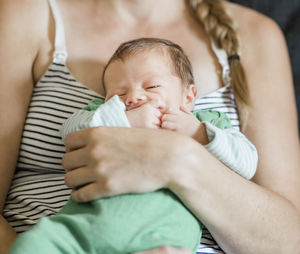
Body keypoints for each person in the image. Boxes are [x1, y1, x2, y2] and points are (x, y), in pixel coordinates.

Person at [1, 0, 299, 254]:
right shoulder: (28, 12)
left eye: (152, 86)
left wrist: (178, 158)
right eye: (119, 94)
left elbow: (288, 241)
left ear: (189, 95)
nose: (134, 98)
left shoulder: (256, 36)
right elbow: (76, 129)